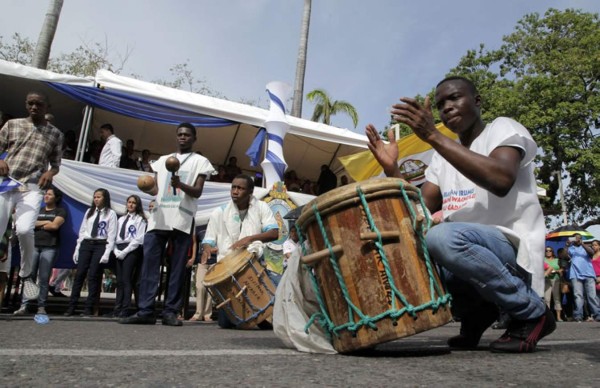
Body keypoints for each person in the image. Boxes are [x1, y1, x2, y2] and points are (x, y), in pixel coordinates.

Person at [365, 76, 554, 353]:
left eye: (455, 98)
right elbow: (419, 209)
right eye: (441, 104)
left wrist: (432, 135)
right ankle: (477, 313)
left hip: (511, 252)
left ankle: (532, 312)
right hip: (466, 256)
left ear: (477, 102)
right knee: (406, 247)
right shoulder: (441, 157)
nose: (447, 108)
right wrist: (393, 171)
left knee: (441, 237)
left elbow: (501, 180)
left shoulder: (503, 128)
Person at [119, 122, 214, 327]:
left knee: (177, 268)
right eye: (179, 134)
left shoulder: (200, 161)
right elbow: (157, 189)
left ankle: (171, 311)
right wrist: (148, 190)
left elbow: (197, 192)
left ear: (194, 138)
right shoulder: (162, 161)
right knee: (149, 265)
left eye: (187, 135)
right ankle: (145, 310)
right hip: (159, 216)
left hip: (182, 218)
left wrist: (180, 185)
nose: (183, 137)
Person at [0, 91, 64, 301]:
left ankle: (26, 274)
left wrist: (49, 172)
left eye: (38, 104)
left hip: (32, 187)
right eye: (30, 104)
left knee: (25, 229)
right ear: (26, 105)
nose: (34, 107)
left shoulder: (55, 134)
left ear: (47, 107)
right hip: (6, 183)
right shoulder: (12, 125)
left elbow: (55, 165)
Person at [201, 174, 279, 328]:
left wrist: (249, 238)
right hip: (228, 269)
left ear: (250, 192)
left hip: (253, 262)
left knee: (266, 322)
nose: (235, 191)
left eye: (240, 188)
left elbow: (274, 233)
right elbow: (208, 239)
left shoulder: (261, 207)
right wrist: (207, 249)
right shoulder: (220, 212)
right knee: (226, 324)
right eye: (234, 187)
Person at [13, 188, 66, 318]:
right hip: (33, 246)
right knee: (29, 276)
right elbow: (29, 224)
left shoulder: (60, 211)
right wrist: (46, 222)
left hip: (50, 247)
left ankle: (41, 306)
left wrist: (38, 225)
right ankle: (24, 305)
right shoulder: (38, 210)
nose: (46, 196)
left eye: (49, 194)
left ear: (56, 197)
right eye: (45, 194)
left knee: (43, 277)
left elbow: (54, 226)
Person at [64, 189, 117, 317]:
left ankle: (89, 307)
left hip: (100, 244)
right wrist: (78, 248)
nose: (96, 199)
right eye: (94, 197)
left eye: (99, 197)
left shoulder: (110, 214)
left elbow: (111, 235)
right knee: (80, 274)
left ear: (105, 198)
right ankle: (72, 306)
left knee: (93, 276)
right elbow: (83, 231)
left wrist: (106, 253)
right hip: (87, 243)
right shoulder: (90, 211)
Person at [110, 195, 147, 318]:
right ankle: (117, 307)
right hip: (118, 248)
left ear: (137, 205)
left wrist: (125, 251)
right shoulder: (121, 219)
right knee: (119, 280)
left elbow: (138, 239)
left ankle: (125, 308)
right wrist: (115, 250)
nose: (130, 205)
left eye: (133, 203)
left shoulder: (140, 219)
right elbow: (114, 235)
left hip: (131, 249)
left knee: (126, 279)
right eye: (129, 202)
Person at [566, 233, 600, 322]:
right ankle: (578, 316)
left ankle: (597, 315)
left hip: (588, 274)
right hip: (575, 275)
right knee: (578, 296)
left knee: (592, 296)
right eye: (575, 238)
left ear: (581, 239)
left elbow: (591, 253)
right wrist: (567, 245)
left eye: (579, 238)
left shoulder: (586, 247)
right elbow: (565, 256)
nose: (577, 239)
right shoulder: (570, 248)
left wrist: (582, 243)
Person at [544, 247, 563, 322]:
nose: (548, 252)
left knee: (557, 298)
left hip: (556, 279)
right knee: (546, 299)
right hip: (546, 280)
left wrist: (558, 271)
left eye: (550, 251)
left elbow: (562, 269)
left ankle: (558, 317)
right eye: (546, 251)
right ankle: (547, 317)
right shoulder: (543, 260)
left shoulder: (557, 260)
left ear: (552, 252)